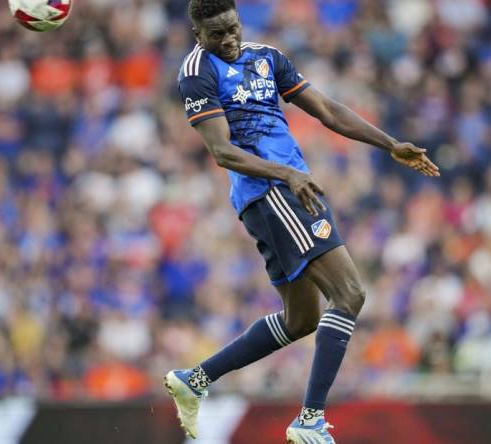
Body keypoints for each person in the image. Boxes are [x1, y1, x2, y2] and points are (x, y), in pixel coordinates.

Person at [163, 0, 439, 442]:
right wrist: (288, 174)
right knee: (349, 294)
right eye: (217, 34)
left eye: (232, 28)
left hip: (285, 189)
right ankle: (310, 419)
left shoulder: (266, 58)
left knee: (301, 319)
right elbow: (222, 152)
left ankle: (195, 379)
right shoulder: (197, 72)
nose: (228, 39)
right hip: (271, 192)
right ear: (198, 34)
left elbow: (327, 110)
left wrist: (390, 144)